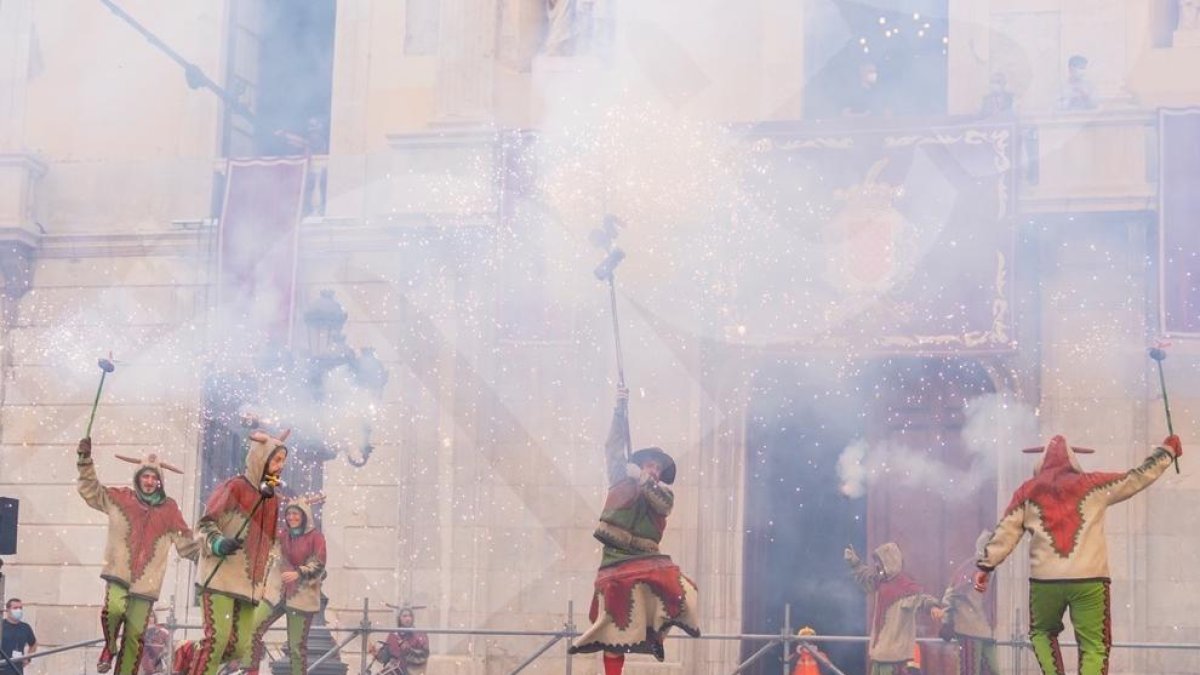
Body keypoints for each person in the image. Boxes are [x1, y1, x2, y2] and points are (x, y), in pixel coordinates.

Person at [974, 434, 1181, 675]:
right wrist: (1167, 452)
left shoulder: (1027, 492)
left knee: (1041, 633)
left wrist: (986, 566)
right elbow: (1135, 478)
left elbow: (1006, 530)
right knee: (1095, 645)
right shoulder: (1093, 484)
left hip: (1045, 582)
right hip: (1090, 580)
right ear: (1073, 460)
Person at [567, 387, 700, 674]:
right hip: (616, 559)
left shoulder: (662, 495)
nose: (653, 470)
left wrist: (641, 478)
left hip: (646, 558)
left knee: (682, 590)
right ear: (641, 464)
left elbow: (660, 503)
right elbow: (612, 448)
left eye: (656, 468)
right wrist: (619, 410)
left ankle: (657, 636)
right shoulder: (621, 480)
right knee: (613, 627)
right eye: (649, 465)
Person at [76, 438, 199, 674]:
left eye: (155, 478)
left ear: (160, 482)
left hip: (146, 584)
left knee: (134, 638)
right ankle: (110, 646)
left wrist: (214, 551)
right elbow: (91, 490)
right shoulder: (120, 498)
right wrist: (85, 461)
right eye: (146, 476)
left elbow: (187, 544)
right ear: (138, 477)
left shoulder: (170, 509)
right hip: (118, 572)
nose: (150, 481)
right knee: (113, 610)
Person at [189, 429, 289, 675]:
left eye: (282, 461)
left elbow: (270, 543)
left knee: (238, 648)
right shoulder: (234, 487)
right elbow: (204, 524)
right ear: (260, 459)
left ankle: (187, 656)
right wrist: (218, 543)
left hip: (249, 586)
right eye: (276, 460)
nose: (280, 466)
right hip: (220, 577)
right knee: (217, 642)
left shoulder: (273, 500)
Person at [245, 495, 328, 675]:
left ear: (304, 516)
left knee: (296, 648)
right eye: (289, 514)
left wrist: (299, 572)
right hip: (276, 594)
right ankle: (250, 672)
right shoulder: (282, 535)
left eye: (296, 514)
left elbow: (319, 564)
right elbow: (262, 527)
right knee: (251, 630)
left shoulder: (316, 537)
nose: (291, 517)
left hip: (301, 597)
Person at [844, 542, 940, 675]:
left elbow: (921, 599)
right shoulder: (881, 582)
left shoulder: (905, 587)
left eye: (879, 562)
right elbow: (865, 577)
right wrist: (854, 562)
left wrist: (932, 606)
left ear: (889, 562)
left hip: (895, 660)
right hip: (879, 656)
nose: (877, 566)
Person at [934, 532, 998, 675]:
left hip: (987, 631)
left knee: (993, 671)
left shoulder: (992, 570)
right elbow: (951, 595)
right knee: (969, 671)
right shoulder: (970, 568)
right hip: (968, 630)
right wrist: (947, 622)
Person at [368, 607, 430, 675]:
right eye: (404, 616)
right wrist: (377, 654)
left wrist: (408, 650)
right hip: (394, 671)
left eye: (410, 616)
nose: (408, 618)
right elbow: (386, 657)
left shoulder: (420, 635)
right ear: (399, 618)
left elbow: (423, 656)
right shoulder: (393, 635)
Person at [0, 599, 35, 675]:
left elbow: (33, 643)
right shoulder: (1, 626)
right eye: (15, 608)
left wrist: (27, 658)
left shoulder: (25, 627)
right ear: (8, 610)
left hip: (17, 669)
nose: (19, 610)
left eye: (20, 608)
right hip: (2, 667)